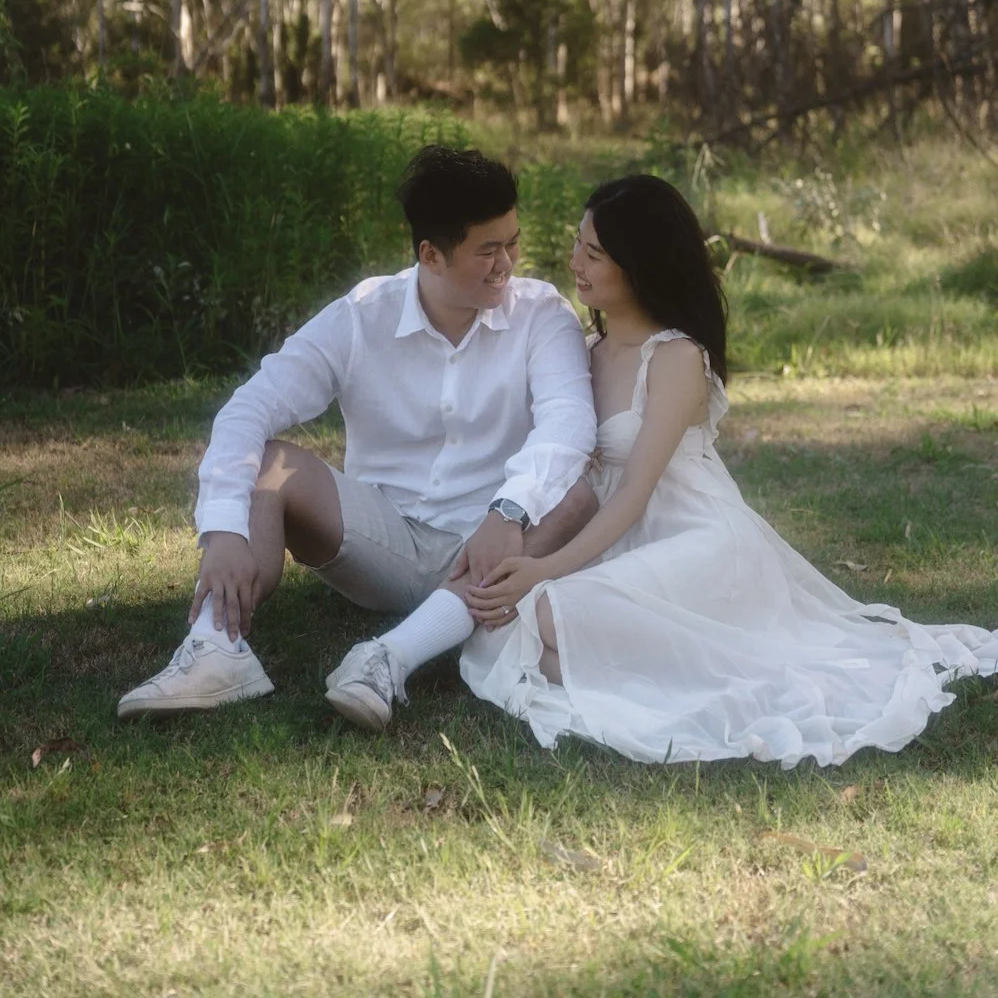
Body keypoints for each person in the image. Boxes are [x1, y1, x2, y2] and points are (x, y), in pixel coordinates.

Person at [373, 173, 998, 768]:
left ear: (637, 266)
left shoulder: (675, 357)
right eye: (577, 244)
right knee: (512, 628)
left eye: (593, 254)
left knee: (541, 616)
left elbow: (636, 492)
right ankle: (656, 660)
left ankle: (720, 666)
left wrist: (545, 566)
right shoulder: (584, 352)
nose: (574, 263)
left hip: (695, 537)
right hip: (615, 541)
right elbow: (569, 469)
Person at [117, 146, 598, 723]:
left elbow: (570, 422)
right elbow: (250, 407)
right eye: (488, 250)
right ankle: (217, 649)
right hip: (382, 543)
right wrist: (222, 529)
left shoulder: (542, 314)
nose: (507, 264)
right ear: (432, 254)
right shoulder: (363, 314)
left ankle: (389, 657)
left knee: (576, 494)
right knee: (270, 462)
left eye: (513, 242)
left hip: (495, 543)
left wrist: (508, 511)